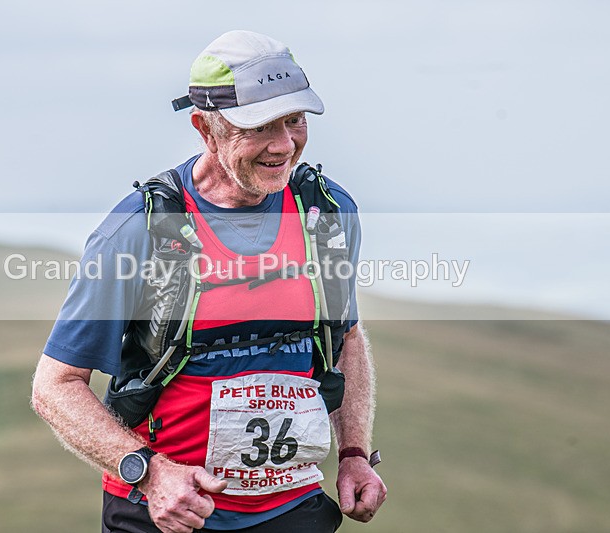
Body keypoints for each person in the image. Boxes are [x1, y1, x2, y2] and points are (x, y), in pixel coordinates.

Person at [32, 30, 386, 533]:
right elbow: (56, 386)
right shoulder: (140, 228)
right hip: (166, 515)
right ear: (205, 128)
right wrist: (150, 473)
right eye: (259, 127)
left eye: (294, 120)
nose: (284, 145)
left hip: (292, 509)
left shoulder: (327, 213)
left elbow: (345, 338)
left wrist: (353, 453)